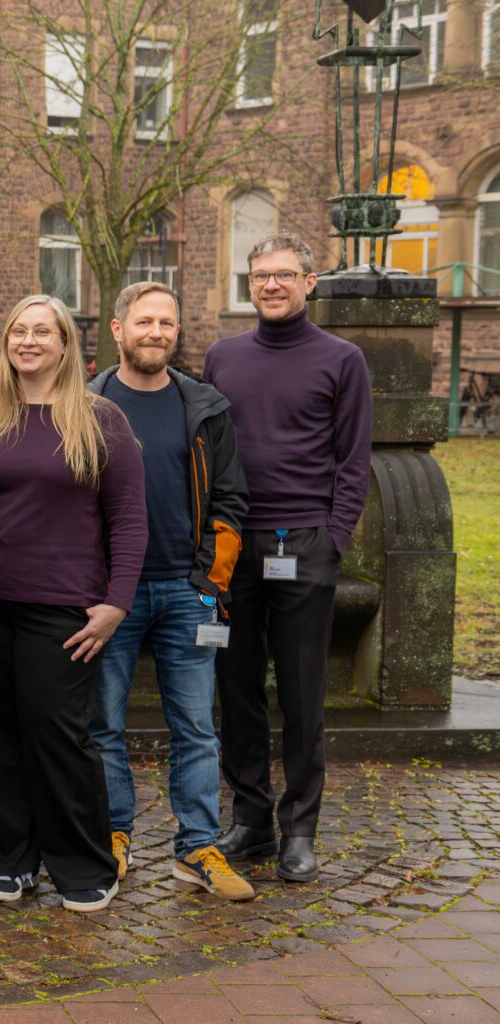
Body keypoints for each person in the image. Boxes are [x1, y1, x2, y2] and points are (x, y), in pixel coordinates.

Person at [0, 293, 146, 915]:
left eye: (41, 332)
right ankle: (10, 862)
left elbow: (129, 520)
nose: (28, 341)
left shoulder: (102, 422)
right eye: (18, 331)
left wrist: (117, 603)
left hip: (64, 609)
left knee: (59, 736)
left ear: (64, 344)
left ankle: (83, 864)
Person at [205, 233, 372, 884]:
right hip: (233, 544)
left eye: (284, 275)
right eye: (259, 276)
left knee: (302, 696)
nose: (271, 285)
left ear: (310, 281)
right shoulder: (222, 356)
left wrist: (333, 537)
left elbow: (353, 461)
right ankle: (252, 819)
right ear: (249, 284)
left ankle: (300, 829)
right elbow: (207, 451)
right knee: (236, 687)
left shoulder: (342, 359)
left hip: (304, 543)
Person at [87, 281, 255, 902]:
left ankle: (197, 848)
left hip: (188, 590)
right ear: (117, 328)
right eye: (144, 322)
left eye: (167, 323)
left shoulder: (205, 407)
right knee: (103, 724)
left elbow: (232, 500)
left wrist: (210, 582)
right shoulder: (88, 405)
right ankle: (112, 834)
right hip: (110, 598)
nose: (156, 332)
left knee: (196, 727)